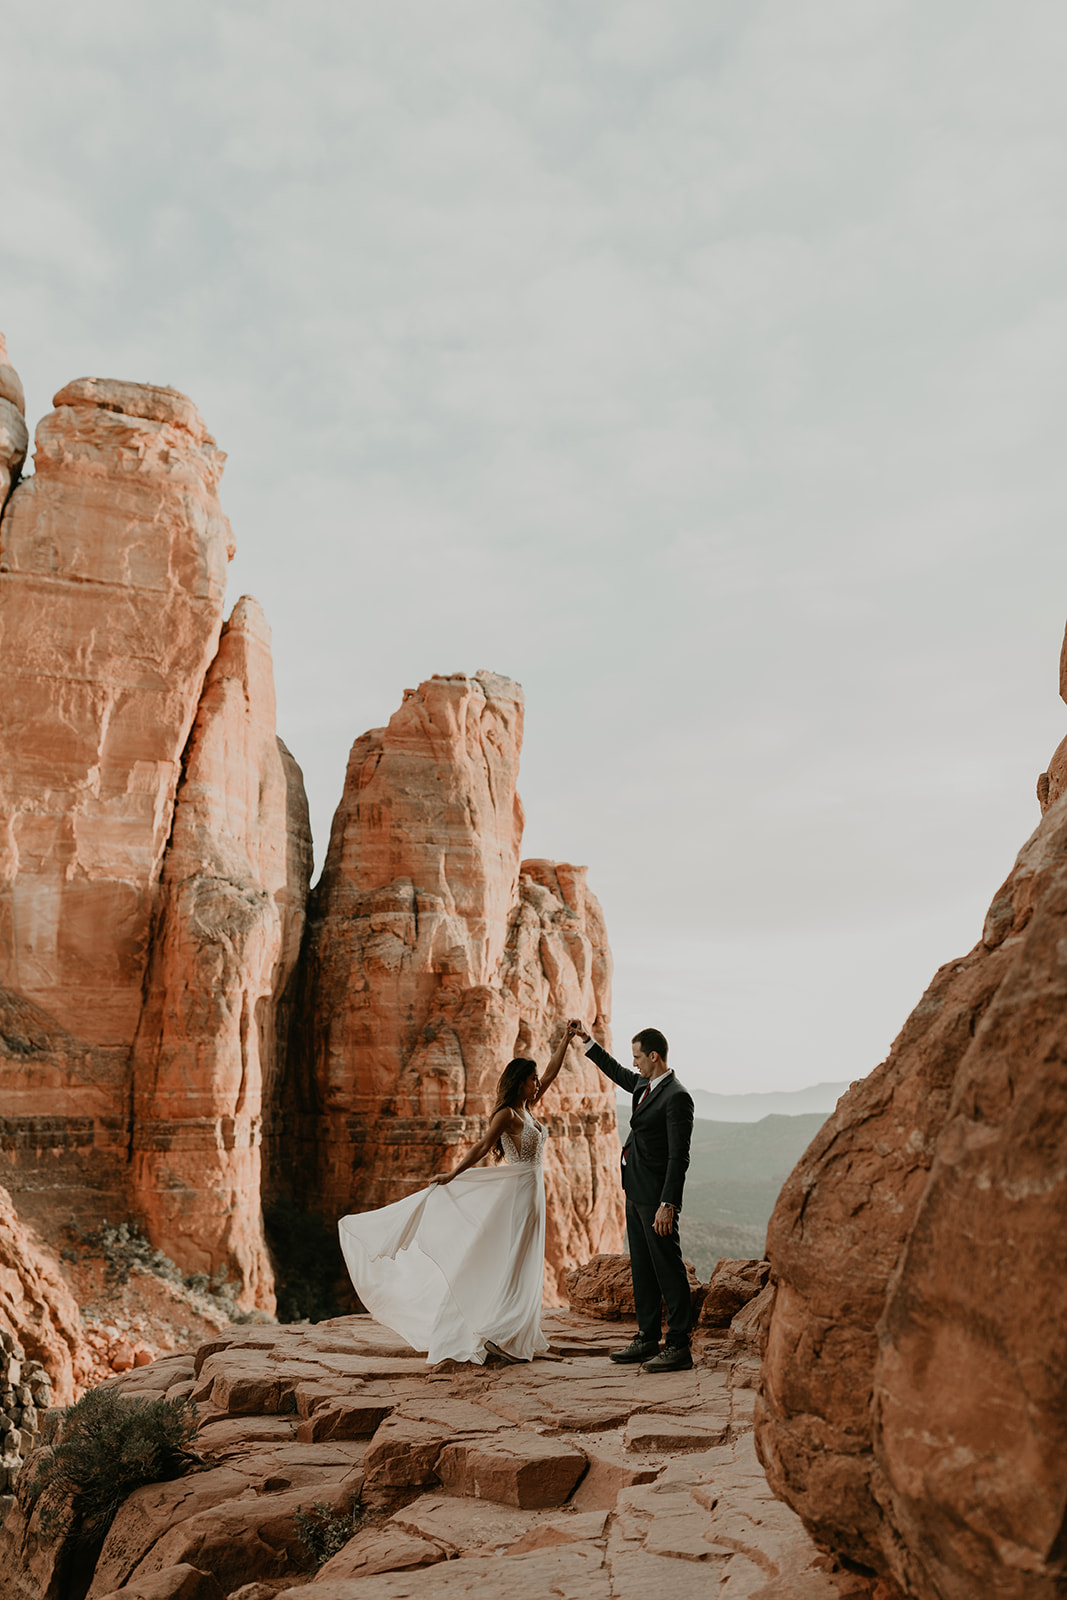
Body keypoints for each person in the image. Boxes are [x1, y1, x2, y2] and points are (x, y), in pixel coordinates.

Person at [337, 1028, 574, 1365]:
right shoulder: (506, 1114)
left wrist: (565, 1039)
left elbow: (551, 1072)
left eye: (537, 1079)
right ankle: (500, 1335)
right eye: (532, 1079)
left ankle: (518, 1336)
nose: (538, 1083)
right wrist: (452, 1174)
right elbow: (480, 1146)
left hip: (535, 1193)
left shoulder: (529, 1107)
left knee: (528, 1261)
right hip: (519, 1195)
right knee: (515, 1261)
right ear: (519, 1081)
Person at [571, 1019, 695, 1371]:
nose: (635, 1063)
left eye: (638, 1057)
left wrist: (667, 1204)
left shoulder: (677, 1097)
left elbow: (678, 1156)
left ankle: (678, 1345)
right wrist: (587, 1040)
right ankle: (646, 1338)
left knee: (667, 1267)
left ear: (654, 1056)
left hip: (656, 1198)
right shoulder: (643, 1084)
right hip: (635, 1190)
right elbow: (616, 1071)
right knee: (642, 1267)